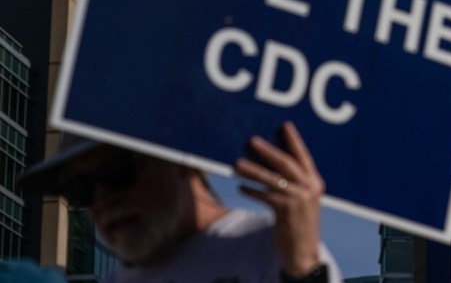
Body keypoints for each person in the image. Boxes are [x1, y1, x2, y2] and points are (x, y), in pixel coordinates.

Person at [19, 121, 342, 283]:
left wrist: (304, 269)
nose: (103, 201)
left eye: (118, 172)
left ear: (179, 159)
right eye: (81, 190)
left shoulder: (271, 249)